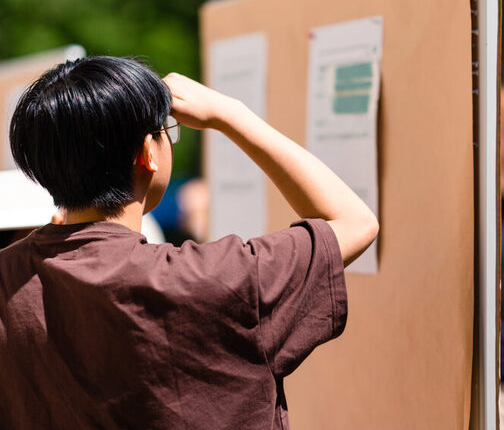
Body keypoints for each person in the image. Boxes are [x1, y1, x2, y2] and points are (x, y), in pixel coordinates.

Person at [0, 56, 378, 430]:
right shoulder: (218, 277)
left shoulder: (8, 278)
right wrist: (230, 115)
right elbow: (355, 222)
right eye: (166, 130)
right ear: (147, 154)